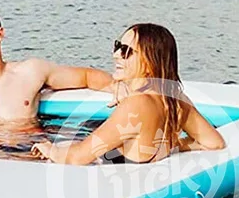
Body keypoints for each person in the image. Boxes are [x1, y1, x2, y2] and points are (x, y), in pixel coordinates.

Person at [31, 23, 225, 164]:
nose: (116, 55)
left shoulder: (136, 105)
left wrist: (50, 150)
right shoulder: (175, 100)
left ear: (149, 62)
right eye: (117, 46)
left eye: (126, 51)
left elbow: (78, 157)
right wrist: (175, 145)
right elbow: (213, 142)